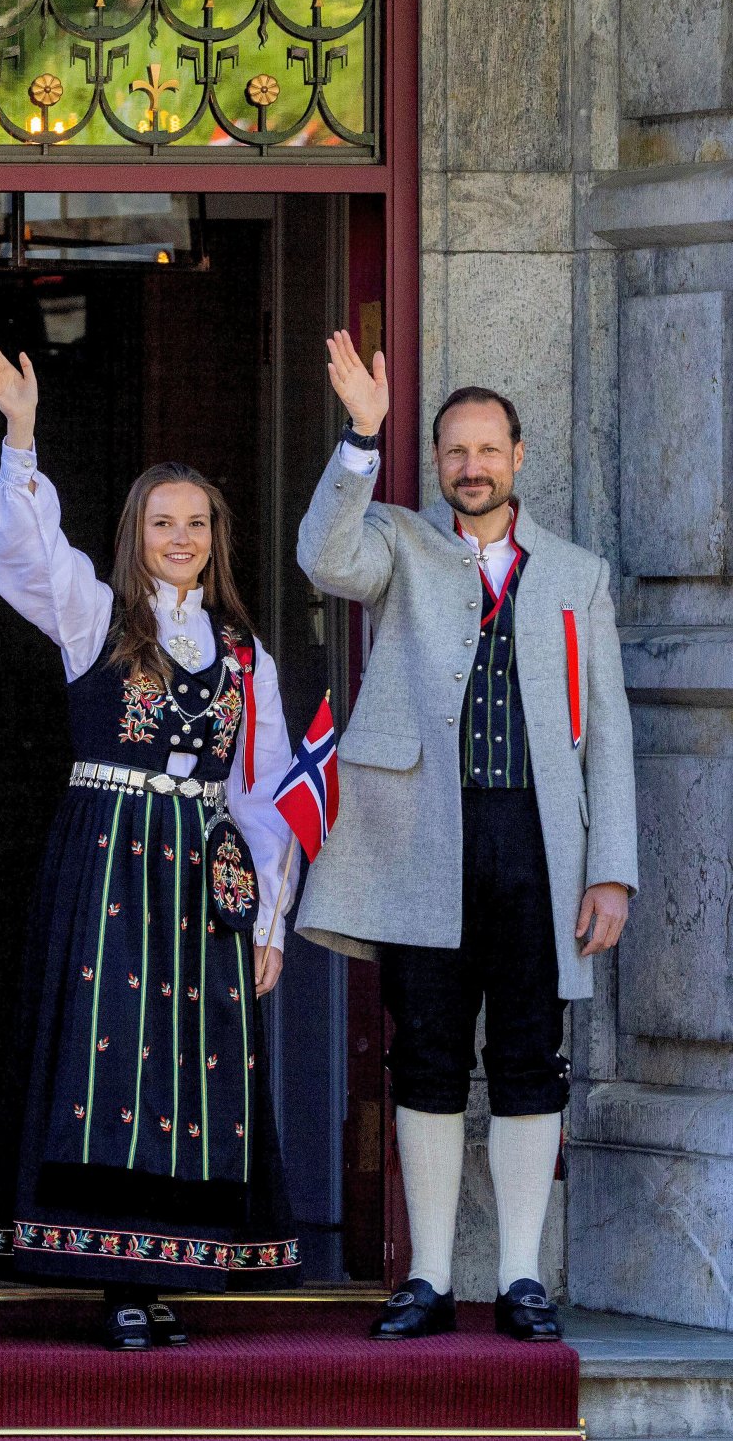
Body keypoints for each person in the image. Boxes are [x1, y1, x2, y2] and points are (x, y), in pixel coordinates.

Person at [296, 333, 638, 1342]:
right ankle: (430, 1279)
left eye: (489, 450)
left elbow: (608, 733)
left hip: (538, 845)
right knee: (429, 1053)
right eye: (454, 452)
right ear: (437, 461)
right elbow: (322, 553)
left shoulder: (578, 574)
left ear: (520, 457)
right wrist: (364, 434)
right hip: (418, 840)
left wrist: (611, 869)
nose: (472, 466)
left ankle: (524, 1278)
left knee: (533, 1055)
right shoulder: (394, 540)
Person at [0, 339, 302, 1350]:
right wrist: (21, 439)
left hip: (203, 877)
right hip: (109, 860)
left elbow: (261, 791)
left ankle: (171, 1264)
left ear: (217, 535)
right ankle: (112, 1274)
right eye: (162, 522)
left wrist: (269, 919)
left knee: (191, 1070)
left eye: (195, 522)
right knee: (106, 1061)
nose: (180, 536)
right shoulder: (93, 615)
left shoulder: (246, 654)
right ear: (134, 534)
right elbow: (24, 551)